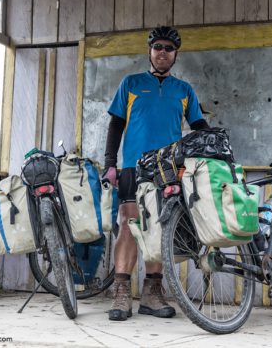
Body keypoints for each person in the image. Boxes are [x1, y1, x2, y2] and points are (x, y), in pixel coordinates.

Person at [102, 26, 209, 321]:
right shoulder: (131, 83)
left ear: (176, 54)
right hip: (133, 166)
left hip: (168, 168)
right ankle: (122, 293)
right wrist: (110, 164)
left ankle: (151, 293)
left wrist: (215, 146)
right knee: (129, 223)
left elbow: (199, 127)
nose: (162, 52)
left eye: (169, 48)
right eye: (158, 47)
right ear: (150, 51)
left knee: (159, 229)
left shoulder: (184, 90)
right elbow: (115, 125)